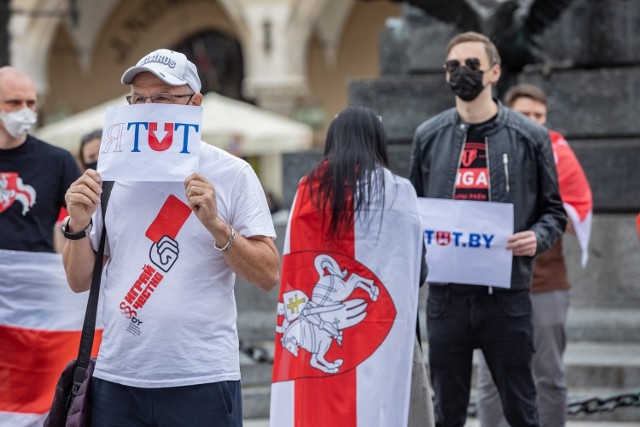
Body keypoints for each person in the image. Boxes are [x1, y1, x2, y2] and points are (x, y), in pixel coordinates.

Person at [62, 49, 280, 427]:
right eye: (140, 100)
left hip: (203, 377)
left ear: (195, 103)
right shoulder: (109, 173)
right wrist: (77, 224)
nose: (149, 109)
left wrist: (217, 226)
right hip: (118, 377)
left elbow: (267, 274)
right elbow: (79, 281)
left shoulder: (232, 172)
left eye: (162, 98)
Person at [409, 32, 567, 427]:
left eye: (473, 65)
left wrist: (537, 237)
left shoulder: (529, 137)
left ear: (495, 72)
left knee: (521, 409)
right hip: (446, 301)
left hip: (507, 298)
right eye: (453, 66)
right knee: (447, 412)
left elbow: (554, 211)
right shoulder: (428, 136)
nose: (462, 73)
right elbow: (413, 210)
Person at [270, 106, 433, 426]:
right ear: (377, 141)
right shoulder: (399, 192)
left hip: (319, 327)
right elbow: (418, 270)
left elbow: (297, 265)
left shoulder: (307, 190)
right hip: (385, 331)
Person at [475, 83, 593, 427]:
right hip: (492, 283)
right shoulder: (481, 150)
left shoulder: (559, 156)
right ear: (507, 115)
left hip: (546, 283)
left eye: (540, 116)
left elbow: (575, 215)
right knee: (491, 380)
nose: (534, 122)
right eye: (525, 115)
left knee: (549, 376)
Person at [0, 66, 83, 424]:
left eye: (30, 102)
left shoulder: (57, 160)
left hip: (35, 299)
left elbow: (84, 223)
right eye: (14, 102)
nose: (25, 110)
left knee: (36, 384)